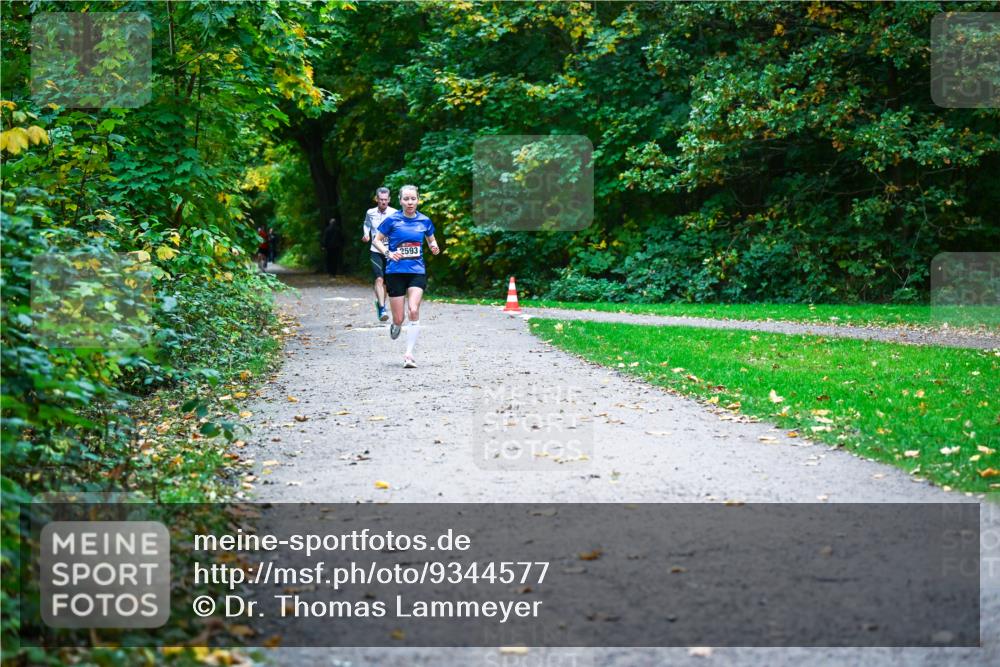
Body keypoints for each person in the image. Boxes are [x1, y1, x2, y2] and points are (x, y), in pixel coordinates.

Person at [374, 184, 440, 368]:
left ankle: (409, 354)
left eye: (413, 199)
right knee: (399, 318)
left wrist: (434, 246)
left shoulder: (425, 221)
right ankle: (395, 326)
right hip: (395, 272)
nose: (410, 202)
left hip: (416, 271)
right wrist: (388, 253)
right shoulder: (392, 220)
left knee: (413, 309)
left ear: (418, 200)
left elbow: (431, 239)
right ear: (401, 200)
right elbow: (376, 240)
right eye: (406, 199)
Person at [362, 187, 397, 322]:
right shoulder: (370, 212)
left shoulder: (394, 213)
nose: (383, 202)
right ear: (377, 199)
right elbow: (366, 224)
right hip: (375, 250)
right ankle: (382, 309)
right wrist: (366, 234)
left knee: (387, 284)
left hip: (390, 252)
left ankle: (379, 303)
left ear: (389, 199)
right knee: (379, 279)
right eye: (381, 200)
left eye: (385, 200)